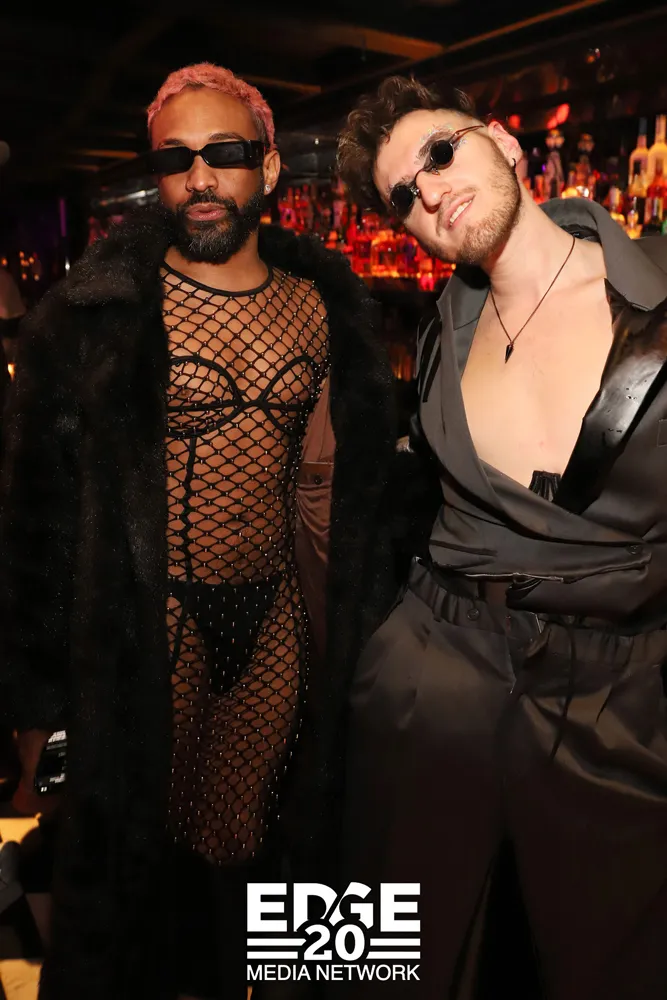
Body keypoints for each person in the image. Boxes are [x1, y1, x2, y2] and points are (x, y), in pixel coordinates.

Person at [0, 63, 398, 1000]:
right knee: (132, 882)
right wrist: (35, 708)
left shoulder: (331, 312)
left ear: (268, 166)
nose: (200, 177)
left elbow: (355, 503)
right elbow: (32, 524)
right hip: (144, 635)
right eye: (175, 160)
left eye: (223, 152)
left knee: (252, 865)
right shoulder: (93, 321)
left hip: (278, 630)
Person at [336, 75, 667, 1000]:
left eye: (440, 153)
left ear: (505, 143)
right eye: (405, 195)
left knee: (619, 964)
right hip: (432, 673)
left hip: (617, 695)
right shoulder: (440, 336)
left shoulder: (654, 291)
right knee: (374, 957)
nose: (431, 192)